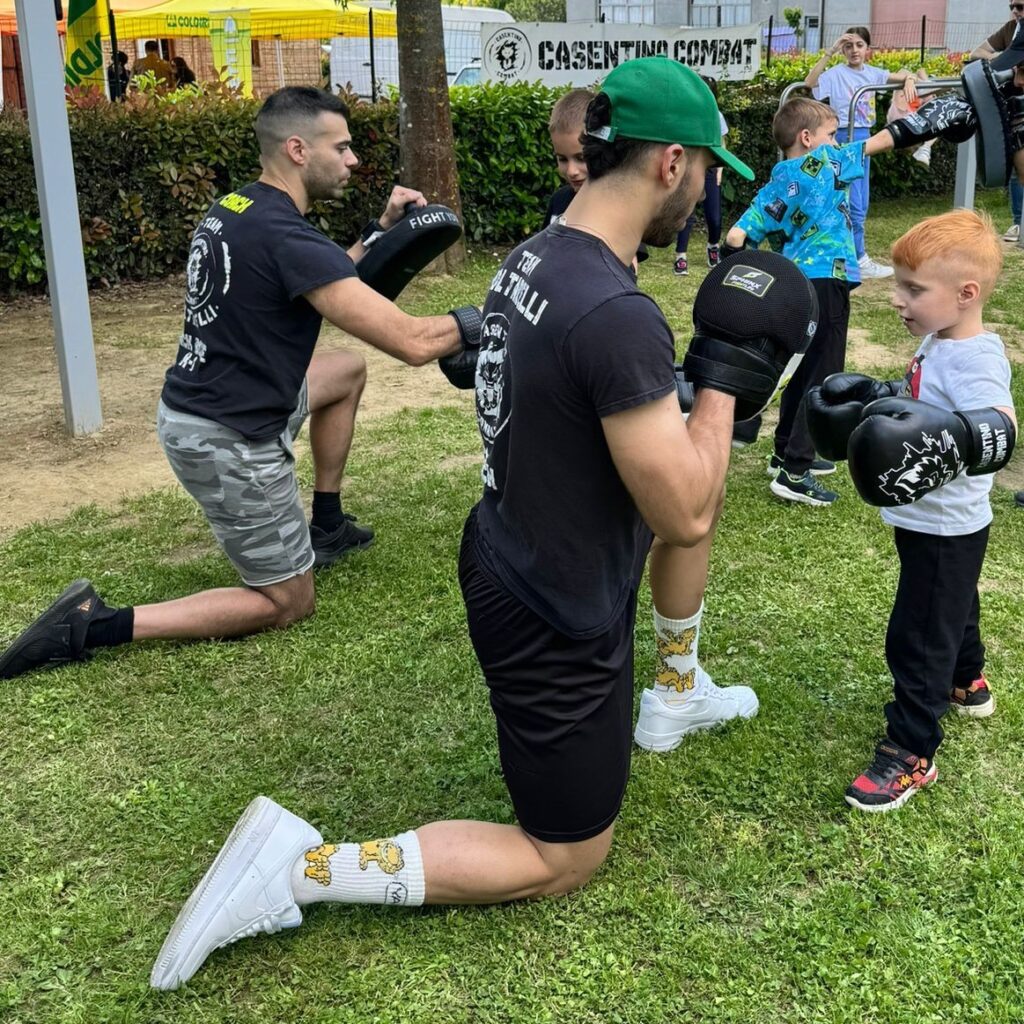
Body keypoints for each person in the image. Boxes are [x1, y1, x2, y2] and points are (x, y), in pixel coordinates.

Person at [145, 58, 813, 992]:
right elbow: (686, 512)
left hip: (511, 548)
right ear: (671, 163)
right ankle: (298, 865)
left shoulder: (538, 253)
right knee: (565, 855)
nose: (704, 190)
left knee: (587, 767)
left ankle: (673, 683)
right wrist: (727, 382)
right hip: (551, 605)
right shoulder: (617, 314)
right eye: (706, 170)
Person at [0, 87, 478, 682]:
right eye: (344, 146)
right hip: (230, 439)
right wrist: (480, 320)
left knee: (344, 372)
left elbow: (328, 278)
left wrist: (380, 230)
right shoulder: (286, 236)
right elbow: (410, 342)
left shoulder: (238, 208)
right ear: (299, 149)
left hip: (214, 401)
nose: (354, 160)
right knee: (287, 603)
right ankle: (91, 624)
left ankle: (325, 521)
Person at [807, 210, 1016, 812]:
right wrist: (882, 397)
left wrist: (963, 436)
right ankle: (967, 682)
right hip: (930, 519)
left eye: (913, 289)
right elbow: (925, 402)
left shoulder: (976, 357)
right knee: (953, 604)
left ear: (965, 294)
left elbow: (1000, 426)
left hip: (946, 524)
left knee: (920, 632)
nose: (897, 299)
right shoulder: (939, 339)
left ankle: (910, 749)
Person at [723, 94, 976, 506]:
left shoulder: (780, 180)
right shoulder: (823, 163)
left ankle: (784, 451)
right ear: (808, 138)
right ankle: (795, 471)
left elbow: (737, 236)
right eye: (831, 134)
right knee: (822, 374)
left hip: (796, 286)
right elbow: (882, 142)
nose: (837, 141)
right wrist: (930, 121)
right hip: (828, 280)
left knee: (801, 369)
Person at [805, 26, 920, 279]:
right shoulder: (836, 74)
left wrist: (910, 78)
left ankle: (853, 256)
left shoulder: (871, 73)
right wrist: (830, 51)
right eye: (848, 46)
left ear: (867, 49)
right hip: (844, 135)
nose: (854, 50)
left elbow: (901, 75)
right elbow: (810, 83)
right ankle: (857, 258)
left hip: (864, 135)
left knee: (859, 199)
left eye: (859, 45)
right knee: (851, 200)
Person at [542, 88, 649, 270]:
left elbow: (627, 271)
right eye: (562, 159)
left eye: (581, 158)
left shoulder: (619, 209)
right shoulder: (558, 202)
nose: (572, 171)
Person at [969, 6, 1024, 240]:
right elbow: (976, 53)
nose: (1015, 11)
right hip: (1016, 110)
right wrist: (1003, 61)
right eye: (1012, 6)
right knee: (1019, 167)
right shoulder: (1012, 29)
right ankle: (1019, 222)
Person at [673, 76, 726, 276]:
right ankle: (680, 257)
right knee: (686, 214)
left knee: (714, 217)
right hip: (688, 167)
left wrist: (719, 170)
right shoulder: (684, 115)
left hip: (710, 169)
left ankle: (713, 246)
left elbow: (721, 144)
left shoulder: (717, 116)